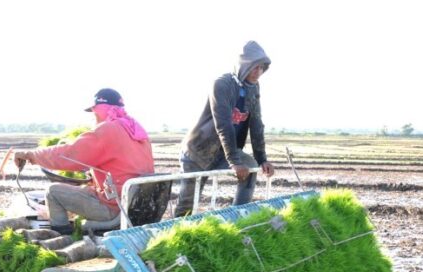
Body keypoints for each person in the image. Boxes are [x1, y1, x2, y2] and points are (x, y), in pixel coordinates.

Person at [14, 88, 154, 234]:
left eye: (94, 113)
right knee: (83, 191)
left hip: (114, 208)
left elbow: (68, 154)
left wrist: (31, 155)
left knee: (53, 192)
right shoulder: (135, 129)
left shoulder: (107, 130)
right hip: (137, 204)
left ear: (99, 110)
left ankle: (62, 237)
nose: (94, 118)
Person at [174, 40, 275, 218]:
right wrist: (234, 161)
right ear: (244, 65)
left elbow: (256, 123)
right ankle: (176, 234)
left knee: (250, 168)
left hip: (222, 152)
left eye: (261, 68)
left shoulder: (253, 88)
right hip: (199, 151)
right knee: (188, 203)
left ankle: (237, 219)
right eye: (254, 67)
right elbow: (223, 124)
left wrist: (262, 159)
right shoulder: (222, 84)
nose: (257, 72)